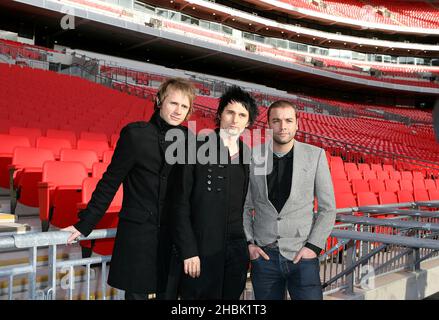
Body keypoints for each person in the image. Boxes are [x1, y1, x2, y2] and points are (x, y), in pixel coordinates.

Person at [61, 78, 196, 300]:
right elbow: (110, 182)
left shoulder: (189, 140)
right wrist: (85, 224)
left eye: (184, 106)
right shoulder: (136, 135)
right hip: (139, 235)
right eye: (173, 103)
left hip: (172, 237)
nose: (178, 111)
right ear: (159, 101)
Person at [170, 86, 259, 299]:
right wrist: (189, 250)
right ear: (220, 115)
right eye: (230, 112)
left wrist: (248, 244)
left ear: (248, 122)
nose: (235, 120)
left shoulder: (248, 154)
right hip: (201, 250)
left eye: (242, 115)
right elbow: (179, 203)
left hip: (235, 250)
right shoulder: (195, 146)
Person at [243, 100, 336, 300]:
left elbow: (328, 208)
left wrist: (313, 247)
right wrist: (250, 243)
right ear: (268, 124)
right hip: (264, 257)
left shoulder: (315, 155)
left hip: (302, 256)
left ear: (297, 124)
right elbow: (245, 207)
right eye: (276, 121)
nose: (283, 126)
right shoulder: (255, 156)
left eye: (288, 120)